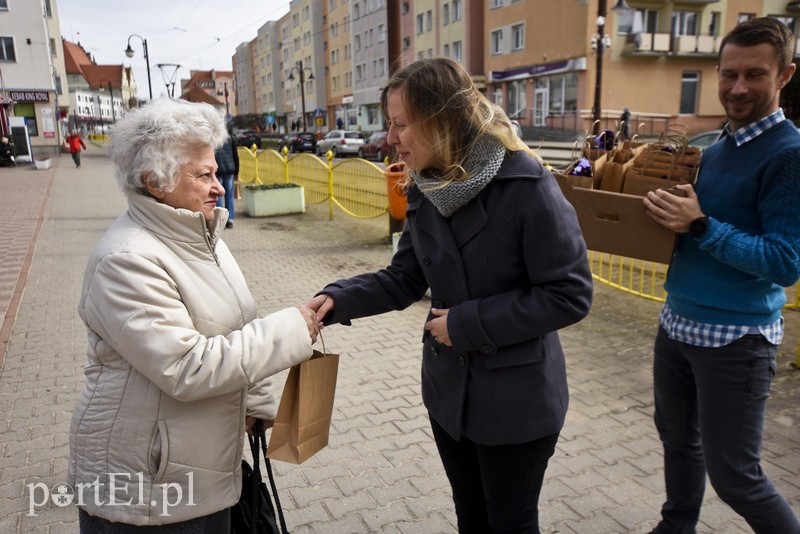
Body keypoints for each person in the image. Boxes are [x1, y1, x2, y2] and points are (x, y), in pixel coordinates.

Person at [307, 58, 593, 533]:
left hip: (515, 402)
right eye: (389, 125)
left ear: (443, 122)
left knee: (510, 524)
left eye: (401, 125)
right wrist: (338, 298)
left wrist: (464, 325)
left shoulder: (526, 184)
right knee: (471, 518)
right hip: (450, 397)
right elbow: (404, 278)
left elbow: (569, 294)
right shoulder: (426, 184)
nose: (390, 139)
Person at [68, 98, 322, 532]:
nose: (219, 184)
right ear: (154, 180)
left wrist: (256, 402)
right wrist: (293, 329)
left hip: (201, 466)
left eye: (213, 170)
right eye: (203, 174)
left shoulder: (200, 235)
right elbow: (188, 366)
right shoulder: (126, 260)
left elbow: (237, 323)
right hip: (148, 487)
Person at [642, 17, 800, 534]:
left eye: (754, 74)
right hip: (678, 323)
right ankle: (677, 525)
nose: (737, 88)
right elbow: (689, 230)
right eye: (728, 74)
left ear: (785, 76)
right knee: (677, 441)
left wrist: (701, 225)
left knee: (736, 477)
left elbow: (785, 261)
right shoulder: (715, 149)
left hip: (737, 339)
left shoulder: (789, 154)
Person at [215, 128, 239, 229]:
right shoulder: (231, 139)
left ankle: (221, 220)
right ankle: (230, 219)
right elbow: (235, 156)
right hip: (230, 170)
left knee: (219, 196)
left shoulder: (214, 140)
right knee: (229, 195)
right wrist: (237, 171)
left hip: (219, 171)